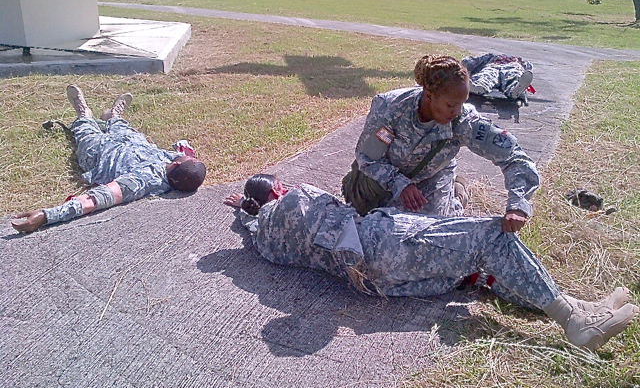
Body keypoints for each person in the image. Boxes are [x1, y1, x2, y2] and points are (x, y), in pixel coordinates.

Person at [225, 174, 638, 352]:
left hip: (377, 281)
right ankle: (574, 320)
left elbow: (250, 223)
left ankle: (581, 308)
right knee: (491, 236)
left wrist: (245, 211)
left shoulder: (266, 241)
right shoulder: (297, 195)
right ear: (278, 188)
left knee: (475, 271)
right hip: (381, 243)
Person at [342, 54, 539, 233]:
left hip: (433, 176)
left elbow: (514, 156)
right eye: (451, 105)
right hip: (385, 178)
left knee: (430, 231)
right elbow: (367, 158)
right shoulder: (390, 108)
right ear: (428, 96)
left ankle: (458, 193)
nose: (458, 111)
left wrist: (518, 205)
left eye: (463, 103)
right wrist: (400, 184)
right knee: (377, 225)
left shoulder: (464, 121)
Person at [11, 85, 207, 233]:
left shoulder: (140, 182)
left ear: (175, 165)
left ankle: (83, 112)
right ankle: (113, 116)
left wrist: (46, 216)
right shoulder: (178, 167)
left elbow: (93, 200)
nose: (182, 156)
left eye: (183, 158)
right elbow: (187, 156)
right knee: (123, 128)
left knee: (85, 131)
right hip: (129, 141)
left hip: (99, 154)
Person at [461, 53, 534, 99]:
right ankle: (478, 86)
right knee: (487, 74)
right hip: (493, 66)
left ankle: (515, 89)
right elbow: (471, 61)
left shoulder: (518, 61)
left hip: (512, 66)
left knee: (513, 75)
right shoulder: (490, 57)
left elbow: (528, 68)